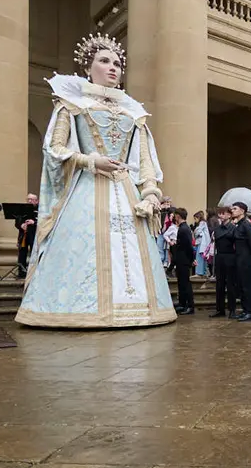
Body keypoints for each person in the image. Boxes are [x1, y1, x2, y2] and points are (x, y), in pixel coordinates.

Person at [15, 33, 176, 328]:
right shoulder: (72, 104)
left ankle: (138, 309)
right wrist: (90, 160)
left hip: (126, 190)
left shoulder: (134, 112)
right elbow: (54, 148)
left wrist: (151, 193)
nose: (113, 67)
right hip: (87, 188)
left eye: (117, 63)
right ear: (89, 67)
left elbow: (144, 161)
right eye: (104, 61)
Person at [229, 202, 251, 321]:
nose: (232, 211)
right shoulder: (238, 225)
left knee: (246, 286)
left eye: (235, 209)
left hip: (245, 259)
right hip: (238, 258)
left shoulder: (246, 225)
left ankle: (249, 312)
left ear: (242, 211)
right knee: (241, 286)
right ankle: (245, 310)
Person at [212, 208, 237, 318]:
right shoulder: (217, 228)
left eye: (223, 213)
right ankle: (220, 309)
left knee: (231, 284)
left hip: (230, 256)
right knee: (219, 284)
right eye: (220, 213)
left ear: (229, 215)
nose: (221, 215)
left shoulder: (233, 228)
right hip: (220, 256)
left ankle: (232, 309)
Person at [170, 209, 196, 315]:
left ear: (178, 216)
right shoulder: (182, 228)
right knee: (181, 283)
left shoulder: (184, 229)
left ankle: (190, 306)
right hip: (181, 259)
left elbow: (188, 246)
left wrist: (191, 259)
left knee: (186, 284)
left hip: (184, 260)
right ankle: (182, 303)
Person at [13, 193, 39, 279]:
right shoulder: (22, 209)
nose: (29, 201)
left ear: (37, 201)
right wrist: (21, 225)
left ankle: (34, 273)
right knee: (22, 254)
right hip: (23, 236)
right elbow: (17, 222)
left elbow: (44, 223)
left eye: (32, 199)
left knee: (34, 254)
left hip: (34, 236)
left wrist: (34, 222)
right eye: (28, 199)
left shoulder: (40, 210)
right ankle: (22, 272)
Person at [192, 210, 212, 279]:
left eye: (195, 218)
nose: (195, 220)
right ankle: (204, 272)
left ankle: (199, 272)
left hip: (201, 244)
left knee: (199, 258)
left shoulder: (202, 223)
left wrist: (195, 231)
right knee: (203, 258)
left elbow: (197, 232)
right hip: (202, 243)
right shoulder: (204, 223)